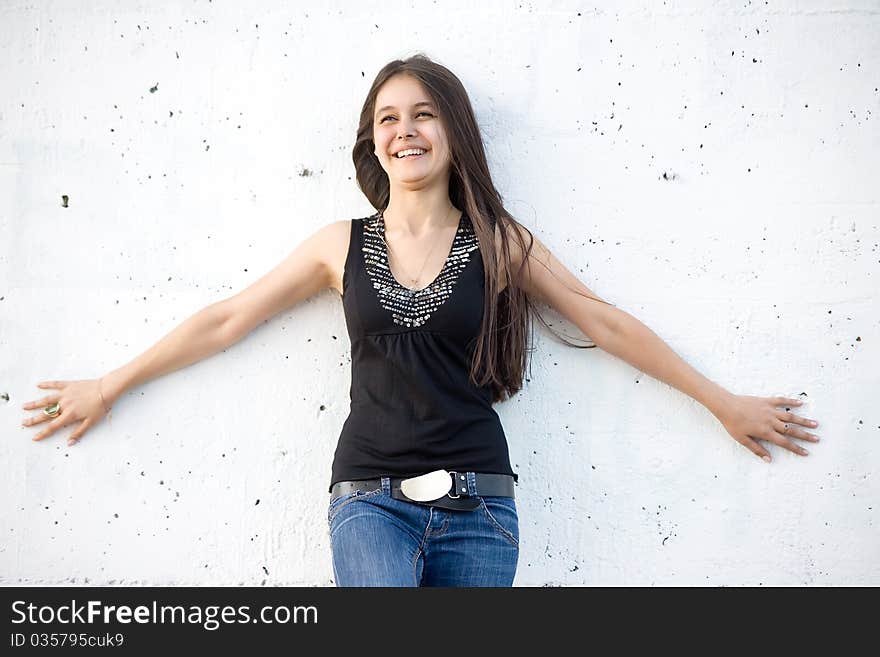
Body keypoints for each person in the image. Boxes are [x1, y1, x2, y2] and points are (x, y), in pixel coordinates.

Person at [20, 54, 821, 587]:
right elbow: (228, 318)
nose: (405, 129)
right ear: (373, 142)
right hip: (369, 498)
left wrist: (722, 400)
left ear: (453, 131)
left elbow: (604, 323)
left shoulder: (501, 244)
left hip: (480, 505)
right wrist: (111, 382)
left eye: (424, 113)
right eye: (387, 118)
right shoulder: (340, 244)